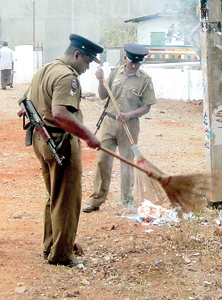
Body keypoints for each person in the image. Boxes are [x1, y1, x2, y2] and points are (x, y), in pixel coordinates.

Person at [18, 34, 103, 267]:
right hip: (60, 142)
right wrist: (89, 135)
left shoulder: (45, 69)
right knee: (67, 198)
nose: (86, 68)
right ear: (77, 54)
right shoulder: (67, 76)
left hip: (41, 139)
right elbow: (60, 113)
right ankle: (62, 255)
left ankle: (50, 245)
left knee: (54, 195)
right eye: (86, 61)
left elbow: (23, 104)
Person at [83, 43, 157, 213]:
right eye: (132, 62)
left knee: (126, 163)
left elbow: (146, 107)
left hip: (129, 126)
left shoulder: (145, 80)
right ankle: (96, 200)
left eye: (137, 64)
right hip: (109, 123)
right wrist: (101, 82)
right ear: (125, 58)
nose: (134, 66)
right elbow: (103, 96)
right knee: (102, 160)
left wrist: (129, 115)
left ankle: (127, 200)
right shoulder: (115, 72)